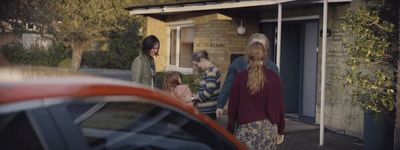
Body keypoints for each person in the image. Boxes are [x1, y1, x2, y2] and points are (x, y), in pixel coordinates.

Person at [227, 42, 285, 150]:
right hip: (269, 128)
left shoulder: (240, 77)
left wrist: (230, 129)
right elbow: (279, 106)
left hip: (246, 128)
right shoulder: (274, 77)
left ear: (248, 56)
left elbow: (232, 106)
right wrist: (280, 130)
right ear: (265, 55)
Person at [216, 33, 279, 118]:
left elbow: (277, 93)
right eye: (255, 45)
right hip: (242, 112)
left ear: (266, 50)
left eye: (260, 46)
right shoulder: (237, 64)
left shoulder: (272, 67)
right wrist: (220, 105)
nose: (257, 49)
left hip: (264, 115)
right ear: (249, 47)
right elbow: (228, 85)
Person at [191, 50, 221, 120]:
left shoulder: (211, 72)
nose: (197, 67)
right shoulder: (210, 71)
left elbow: (208, 93)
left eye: (196, 64)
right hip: (208, 111)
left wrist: (192, 98)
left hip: (208, 112)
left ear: (202, 60)